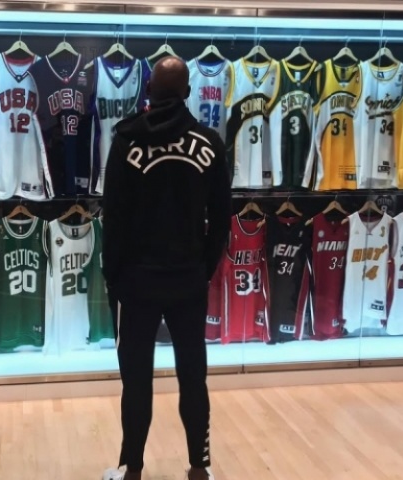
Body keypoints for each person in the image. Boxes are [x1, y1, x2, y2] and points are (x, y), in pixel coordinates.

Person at [101, 56, 232, 480]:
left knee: (136, 379)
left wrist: (113, 276)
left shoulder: (126, 140)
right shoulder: (209, 143)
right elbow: (222, 218)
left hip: (136, 280)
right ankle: (199, 467)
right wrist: (203, 268)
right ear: (187, 93)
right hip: (187, 279)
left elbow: (113, 216)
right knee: (193, 377)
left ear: (148, 91)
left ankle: (132, 469)